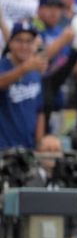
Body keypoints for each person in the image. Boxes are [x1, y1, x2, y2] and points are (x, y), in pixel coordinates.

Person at [0, 21, 47, 149]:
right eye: (19, 41)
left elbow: (39, 111)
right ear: (10, 43)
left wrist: (39, 143)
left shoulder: (35, 71)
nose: (24, 46)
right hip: (3, 148)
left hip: (28, 148)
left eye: (29, 41)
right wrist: (24, 68)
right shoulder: (3, 65)